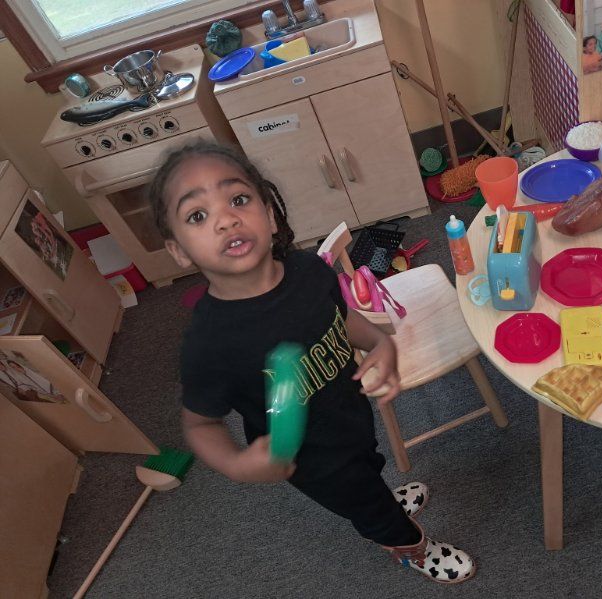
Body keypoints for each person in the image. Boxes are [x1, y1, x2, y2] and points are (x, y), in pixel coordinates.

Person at [148, 141, 475, 584]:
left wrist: (380, 341)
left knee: (370, 463)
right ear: (180, 251)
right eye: (197, 215)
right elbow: (199, 425)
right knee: (373, 513)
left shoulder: (306, 269)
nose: (226, 218)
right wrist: (238, 465)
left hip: (349, 413)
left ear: (268, 210)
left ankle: (379, 495)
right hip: (311, 461)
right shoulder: (209, 344)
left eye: (238, 199)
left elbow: (340, 319)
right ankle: (411, 548)